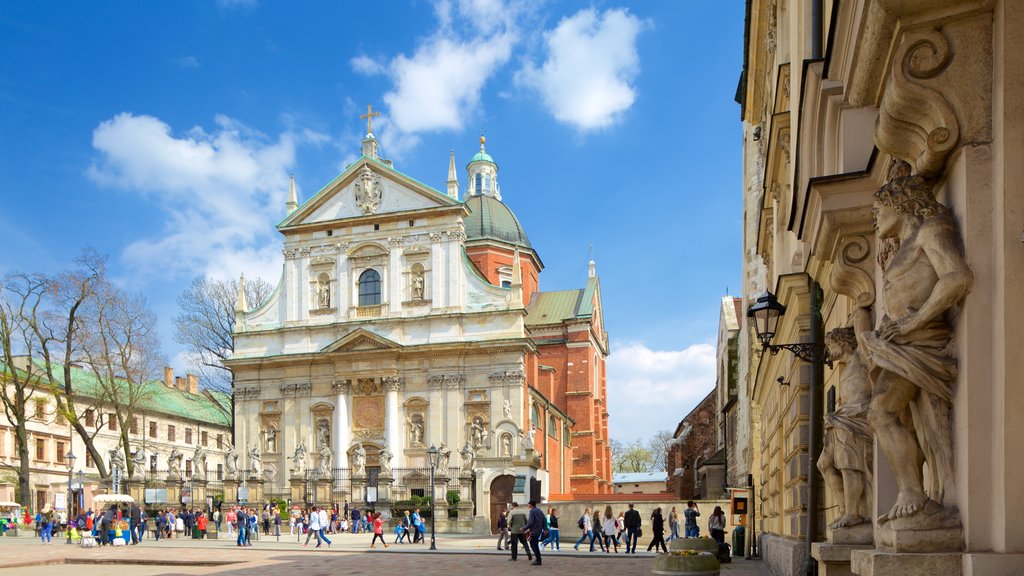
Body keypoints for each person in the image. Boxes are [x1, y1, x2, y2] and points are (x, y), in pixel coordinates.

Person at [525, 500, 545, 565]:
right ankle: (538, 558)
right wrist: (545, 528)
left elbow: (530, 522)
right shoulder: (539, 510)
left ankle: (538, 559)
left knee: (534, 544)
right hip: (539, 529)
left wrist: (524, 528)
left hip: (534, 530)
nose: (528, 505)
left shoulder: (532, 511)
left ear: (531, 505)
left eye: (528, 504)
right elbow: (544, 519)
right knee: (533, 543)